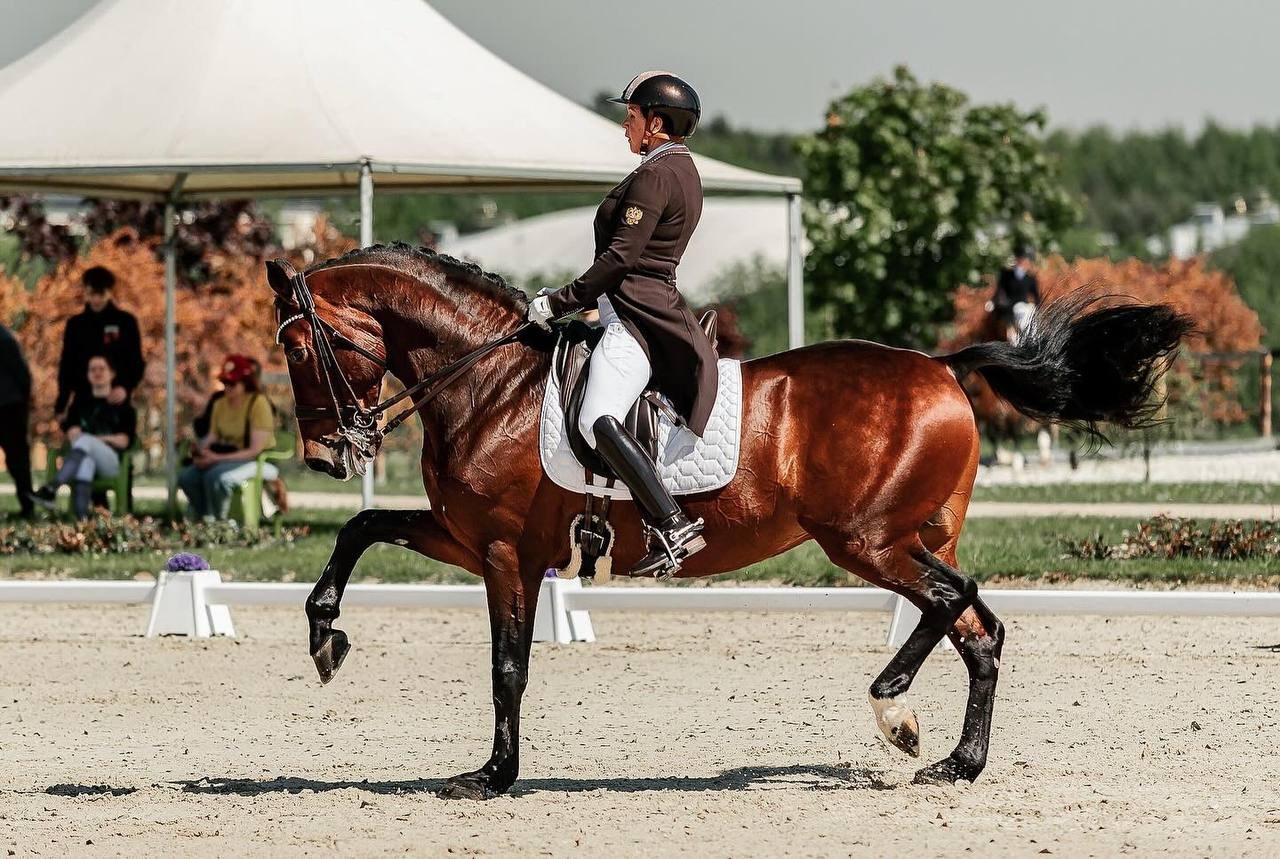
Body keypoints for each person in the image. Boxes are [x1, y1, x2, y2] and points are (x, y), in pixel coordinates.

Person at [526, 71, 716, 578]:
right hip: (630, 306)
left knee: (595, 417)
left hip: (637, 314)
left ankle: (672, 523)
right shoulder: (678, 168)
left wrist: (559, 301)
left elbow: (619, 258)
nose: (624, 127)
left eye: (630, 117)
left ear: (655, 122)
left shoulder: (656, 175)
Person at [30, 354, 136, 520]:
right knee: (86, 461)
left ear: (112, 374)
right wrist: (89, 438)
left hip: (110, 463)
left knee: (85, 441)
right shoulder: (79, 404)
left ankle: (51, 488)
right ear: (87, 375)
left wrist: (97, 440)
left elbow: (123, 441)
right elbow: (73, 435)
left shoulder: (123, 406)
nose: (97, 372)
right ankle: (82, 519)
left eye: (102, 368)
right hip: (83, 458)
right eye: (92, 369)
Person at [178, 354, 278, 520]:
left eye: (232, 383)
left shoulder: (258, 403)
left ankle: (222, 523)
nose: (227, 387)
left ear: (246, 382)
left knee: (217, 478)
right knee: (187, 477)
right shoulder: (220, 403)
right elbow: (212, 437)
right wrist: (199, 450)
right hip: (224, 458)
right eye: (224, 382)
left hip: (256, 460)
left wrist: (215, 458)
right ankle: (206, 517)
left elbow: (254, 450)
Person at [55, 266, 145, 421]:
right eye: (91, 294)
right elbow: (67, 365)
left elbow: (136, 361)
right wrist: (62, 401)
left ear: (109, 292)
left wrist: (125, 387)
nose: (96, 300)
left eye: (101, 294)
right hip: (84, 397)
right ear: (85, 293)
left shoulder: (125, 322)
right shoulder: (76, 325)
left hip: (115, 397)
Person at [0, 322, 34, 520]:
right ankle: (27, 503)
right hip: (12, 404)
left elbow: (21, 374)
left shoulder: (4, 339)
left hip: (9, 406)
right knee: (18, 459)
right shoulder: (5, 337)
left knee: (17, 459)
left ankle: (27, 504)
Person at [992, 246, 1041, 342]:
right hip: (1008, 307)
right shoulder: (1006, 274)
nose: (1024, 262)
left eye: (1026, 260)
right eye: (1022, 259)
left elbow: (1036, 297)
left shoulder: (1030, 278)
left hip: (1023, 307)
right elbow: (999, 291)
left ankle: (1030, 337)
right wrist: (994, 301)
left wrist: (1034, 306)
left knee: (1027, 313)